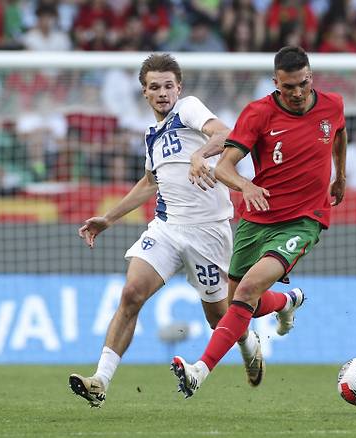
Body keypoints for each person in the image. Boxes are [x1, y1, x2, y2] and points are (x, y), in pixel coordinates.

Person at [68, 53, 294, 408]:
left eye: (168, 86)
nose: (162, 93)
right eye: (154, 87)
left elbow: (225, 133)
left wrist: (199, 154)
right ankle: (100, 380)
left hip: (209, 234)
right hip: (168, 228)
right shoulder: (151, 135)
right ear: (144, 93)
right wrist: (108, 219)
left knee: (222, 316)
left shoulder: (188, 109)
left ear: (179, 88)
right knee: (131, 293)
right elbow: (149, 182)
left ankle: (258, 335)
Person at [171, 46, 347, 398]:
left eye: (303, 83)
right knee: (238, 308)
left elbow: (339, 133)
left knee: (248, 291)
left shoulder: (332, 104)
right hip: (257, 220)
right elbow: (223, 167)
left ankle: (198, 371)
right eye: (289, 87)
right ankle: (286, 302)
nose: (297, 93)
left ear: (311, 77)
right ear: (275, 83)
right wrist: (246, 185)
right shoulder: (258, 114)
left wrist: (341, 175)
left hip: (303, 220)